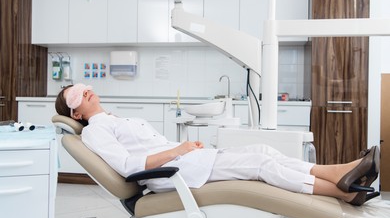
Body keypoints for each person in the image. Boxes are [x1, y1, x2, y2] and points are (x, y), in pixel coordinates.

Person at [55, 83, 380, 206]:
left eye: (84, 88)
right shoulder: (94, 132)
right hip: (173, 173)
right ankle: (344, 191)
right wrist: (178, 150)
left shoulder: (112, 120)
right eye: (75, 95)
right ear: (74, 112)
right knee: (261, 166)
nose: (84, 92)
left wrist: (183, 150)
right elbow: (127, 167)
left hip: (188, 163)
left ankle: (341, 172)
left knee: (264, 152)